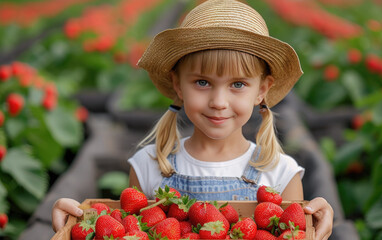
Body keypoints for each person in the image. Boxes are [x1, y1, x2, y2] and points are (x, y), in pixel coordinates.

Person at [52, 0, 333, 239]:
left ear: (262, 90)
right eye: (202, 82)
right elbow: (131, 230)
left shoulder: (281, 174)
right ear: (178, 85)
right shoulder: (149, 166)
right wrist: (79, 217)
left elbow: (293, 232)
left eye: (237, 84)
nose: (219, 102)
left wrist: (314, 220)